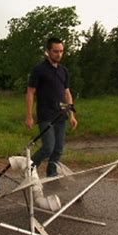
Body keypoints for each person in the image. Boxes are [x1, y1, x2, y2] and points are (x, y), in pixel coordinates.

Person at [26, 37, 78, 177]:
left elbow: (67, 93)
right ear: (48, 51)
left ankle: (52, 172)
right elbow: (30, 92)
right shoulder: (39, 70)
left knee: (58, 148)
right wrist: (29, 115)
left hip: (61, 115)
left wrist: (71, 115)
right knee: (48, 147)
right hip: (45, 115)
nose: (59, 54)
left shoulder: (63, 71)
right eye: (55, 51)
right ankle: (29, 170)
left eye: (61, 51)